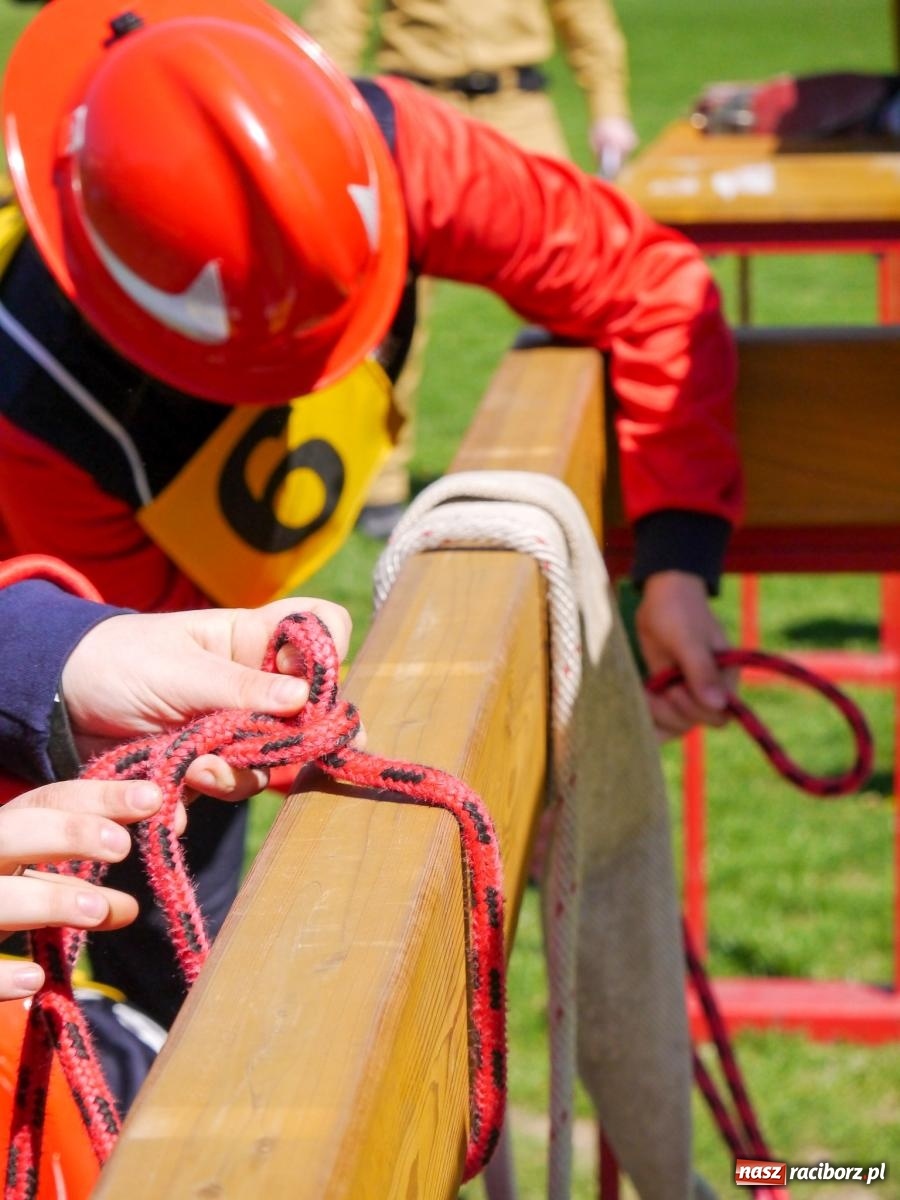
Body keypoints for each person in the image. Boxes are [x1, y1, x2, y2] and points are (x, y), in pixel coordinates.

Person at [0, 0, 740, 1011]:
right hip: (68, 680)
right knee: (176, 989)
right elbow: (158, 711)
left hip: (200, 610)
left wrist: (676, 562)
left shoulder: (388, 148)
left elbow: (648, 284)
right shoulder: (33, 409)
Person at [302, 0, 639, 531]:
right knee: (385, 311)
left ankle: (607, 464)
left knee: (580, 292)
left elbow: (585, 16)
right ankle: (378, 488)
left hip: (520, 109)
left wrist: (609, 107)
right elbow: (339, 16)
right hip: (414, 110)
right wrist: (318, 112)